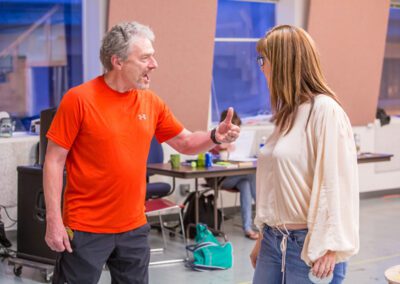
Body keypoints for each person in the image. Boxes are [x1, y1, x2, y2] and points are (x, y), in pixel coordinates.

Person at [43, 21, 240, 284]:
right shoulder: (79, 99)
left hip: (133, 228)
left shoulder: (151, 101)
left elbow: (185, 142)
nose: (154, 64)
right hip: (85, 227)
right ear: (118, 62)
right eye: (145, 57)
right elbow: (54, 161)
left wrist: (215, 136)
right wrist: (53, 221)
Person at [250, 25, 359, 284]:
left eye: (263, 60)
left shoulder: (325, 111)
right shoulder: (288, 114)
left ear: (283, 62)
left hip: (310, 246)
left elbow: (337, 185)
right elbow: (275, 185)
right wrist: (263, 238)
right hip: (274, 241)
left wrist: (330, 247)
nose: (261, 67)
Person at [209, 110, 258, 240]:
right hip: (219, 178)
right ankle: (263, 215)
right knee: (250, 176)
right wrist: (223, 148)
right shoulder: (215, 137)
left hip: (236, 177)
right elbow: (210, 161)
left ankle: (248, 227)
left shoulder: (235, 140)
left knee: (246, 184)